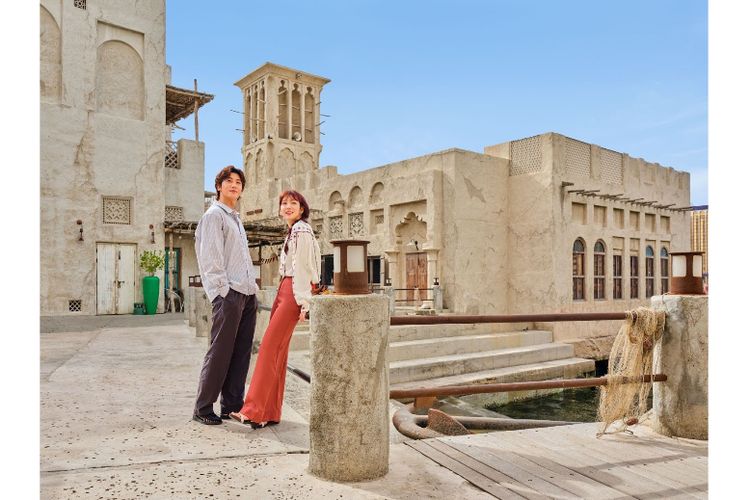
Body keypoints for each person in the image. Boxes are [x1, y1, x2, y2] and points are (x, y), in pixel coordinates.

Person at [230, 190, 321, 428]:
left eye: (294, 203)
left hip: (293, 290)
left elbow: (304, 268)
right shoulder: (294, 231)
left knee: (270, 348)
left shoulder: (301, 230)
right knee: (278, 352)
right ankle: (270, 412)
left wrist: (304, 302)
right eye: (284, 203)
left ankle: (252, 410)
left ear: (302, 209)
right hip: (285, 289)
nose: (288, 206)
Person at [192, 166, 258, 425]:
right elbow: (210, 258)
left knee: (241, 352)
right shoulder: (214, 216)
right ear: (219, 186)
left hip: (247, 293)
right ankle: (203, 407)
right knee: (220, 351)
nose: (234, 185)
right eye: (228, 181)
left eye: (238, 182)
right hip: (229, 294)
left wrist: (250, 291)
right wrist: (223, 292)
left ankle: (232, 404)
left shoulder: (235, 219)